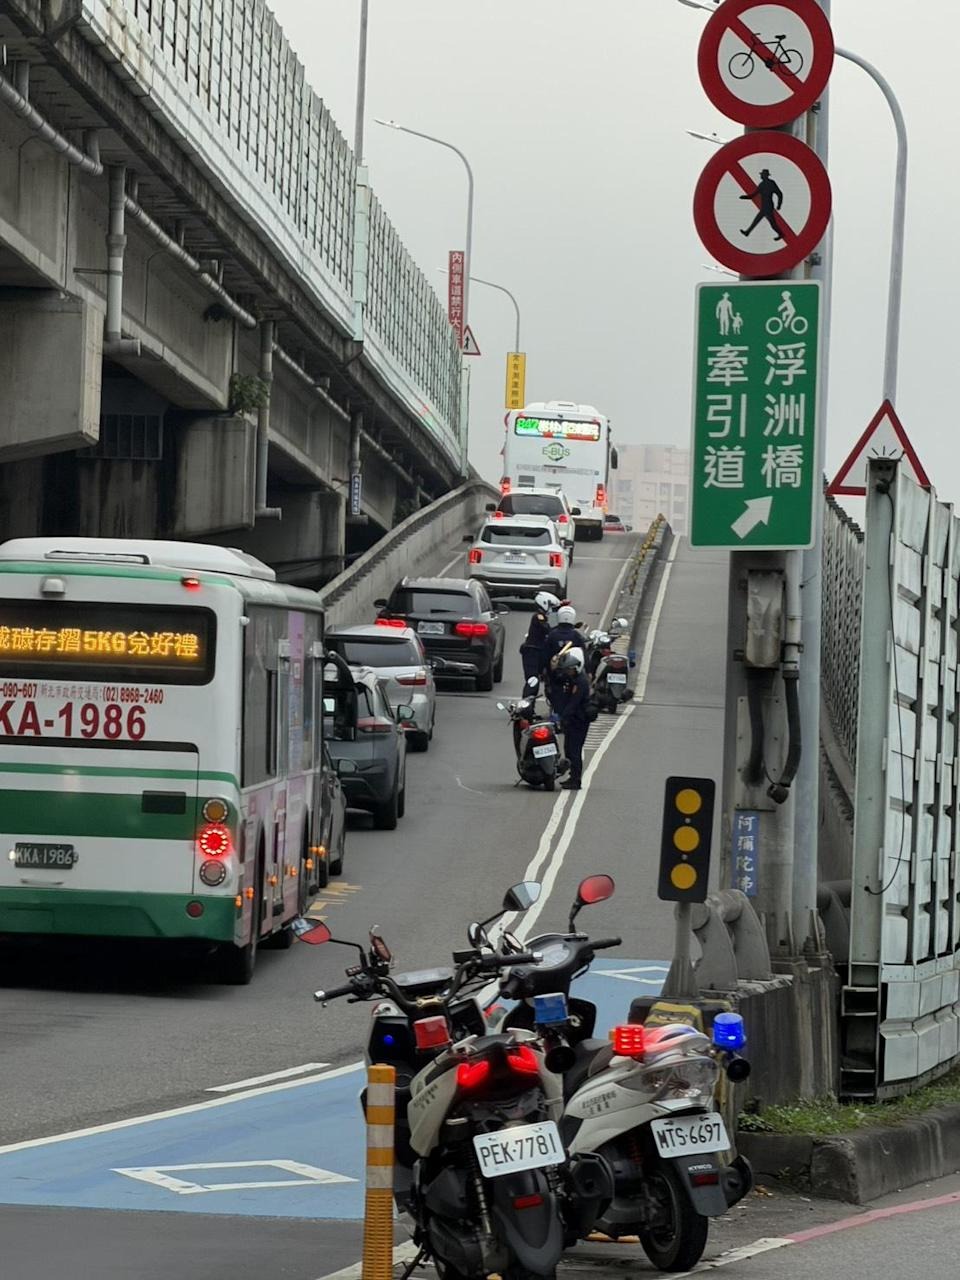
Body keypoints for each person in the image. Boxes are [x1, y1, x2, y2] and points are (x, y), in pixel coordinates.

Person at [551, 649, 591, 790]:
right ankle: (572, 776)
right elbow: (557, 679)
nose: (567, 672)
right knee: (568, 749)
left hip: (578, 721)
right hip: (572, 721)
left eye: (569, 669)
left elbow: (573, 704)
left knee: (574, 751)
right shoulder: (574, 679)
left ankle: (576, 780)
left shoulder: (580, 683)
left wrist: (562, 718)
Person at [545, 605, 590, 708]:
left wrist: (543, 670)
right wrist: (589, 671)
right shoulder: (576, 635)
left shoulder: (552, 635)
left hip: (555, 672)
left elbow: (545, 654)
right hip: (572, 672)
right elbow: (584, 654)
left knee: (553, 689)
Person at [519, 591, 559, 693]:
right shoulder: (538, 617)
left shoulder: (545, 617)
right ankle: (526, 706)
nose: (551, 609)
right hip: (532, 652)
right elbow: (547, 629)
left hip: (540, 652)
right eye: (551, 606)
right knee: (533, 680)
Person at [739, 168, 784, 241]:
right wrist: (745, 197)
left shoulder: (771, 183)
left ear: (765, 175)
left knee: (772, 223)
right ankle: (747, 232)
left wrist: (779, 205)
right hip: (764, 206)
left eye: (762, 175)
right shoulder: (762, 184)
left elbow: (780, 194)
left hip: (768, 207)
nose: (761, 176)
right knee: (757, 220)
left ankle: (781, 234)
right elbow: (754, 195)